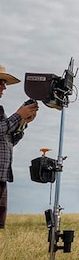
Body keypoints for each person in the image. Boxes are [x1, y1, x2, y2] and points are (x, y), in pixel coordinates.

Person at [0, 64, 39, 229]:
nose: (4, 87)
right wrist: (18, 115)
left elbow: (8, 140)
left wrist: (23, 122)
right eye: (1, 82)